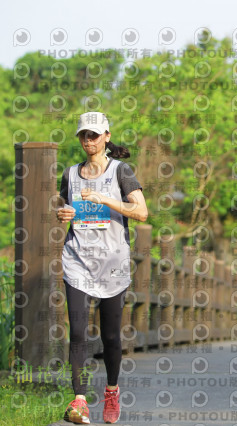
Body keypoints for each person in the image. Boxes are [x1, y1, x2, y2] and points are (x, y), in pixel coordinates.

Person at [56, 111, 148, 424]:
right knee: (78, 332)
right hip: (77, 261)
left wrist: (104, 199)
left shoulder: (121, 171)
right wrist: (63, 213)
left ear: (107, 136)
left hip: (113, 263)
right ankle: (79, 401)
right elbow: (63, 205)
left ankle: (111, 390)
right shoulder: (70, 174)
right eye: (84, 135)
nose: (89, 140)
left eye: (94, 135)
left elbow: (142, 212)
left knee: (110, 336)